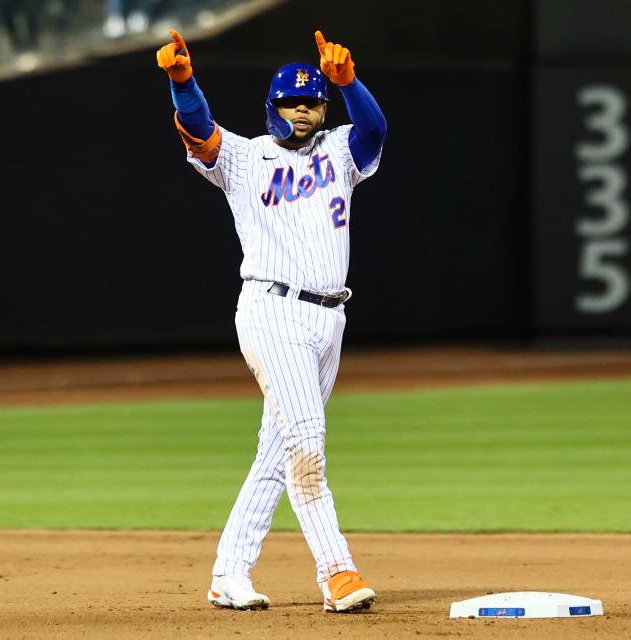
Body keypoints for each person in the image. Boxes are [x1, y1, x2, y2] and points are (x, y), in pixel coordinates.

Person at [156, 29, 387, 613]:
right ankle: (336, 572)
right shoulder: (244, 156)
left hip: (329, 318)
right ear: (272, 106)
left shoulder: (340, 152)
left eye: (313, 102)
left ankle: (229, 572)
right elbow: (199, 130)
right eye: (293, 101)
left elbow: (375, 131)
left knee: (276, 451)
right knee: (307, 443)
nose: (304, 110)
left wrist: (349, 82)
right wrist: (183, 82)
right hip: (271, 310)